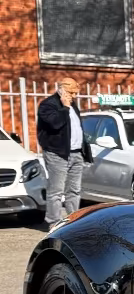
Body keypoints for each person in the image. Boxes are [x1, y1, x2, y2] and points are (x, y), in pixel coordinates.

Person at [37, 78, 93, 230]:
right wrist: (65, 108)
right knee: (56, 191)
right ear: (61, 89)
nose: (73, 96)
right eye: (71, 92)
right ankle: (53, 222)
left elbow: (77, 128)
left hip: (76, 153)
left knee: (74, 190)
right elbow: (55, 124)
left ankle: (74, 220)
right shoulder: (48, 105)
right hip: (57, 153)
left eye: (75, 93)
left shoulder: (72, 105)